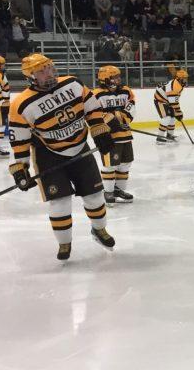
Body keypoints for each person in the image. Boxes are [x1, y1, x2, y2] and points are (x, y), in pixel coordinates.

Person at [8, 54, 115, 261]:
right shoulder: (21, 104)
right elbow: (19, 140)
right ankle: (64, 243)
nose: (48, 73)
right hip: (49, 155)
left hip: (80, 148)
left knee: (94, 196)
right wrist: (20, 168)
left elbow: (91, 108)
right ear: (31, 77)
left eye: (49, 67)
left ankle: (99, 230)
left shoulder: (72, 83)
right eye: (41, 71)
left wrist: (99, 130)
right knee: (60, 202)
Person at [92, 65, 136, 204]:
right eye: (114, 77)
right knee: (110, 165)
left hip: (125, 134)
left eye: (118, 76)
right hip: (107, 136)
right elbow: (94, 114)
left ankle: (118, 190)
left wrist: (123, 118)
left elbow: (131, 106)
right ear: (105, 79)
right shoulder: (96, 94)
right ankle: (108, 192)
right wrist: (110, 120)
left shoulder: (126, 91)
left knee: (126, 163)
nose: (118, 79)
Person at [153, 68, 187, 143]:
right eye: (184, 78)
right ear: (179, 78)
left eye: (186, 78)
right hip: (160, 101)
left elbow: (174, 99)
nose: (185, 80)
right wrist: (178, 112)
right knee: (166, 118)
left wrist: (177, 112)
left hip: (168, 101)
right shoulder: (175, 86)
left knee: (173, 118)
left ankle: (170, 135)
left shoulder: (179, 84)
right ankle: (160, 137)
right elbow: (173, 101)